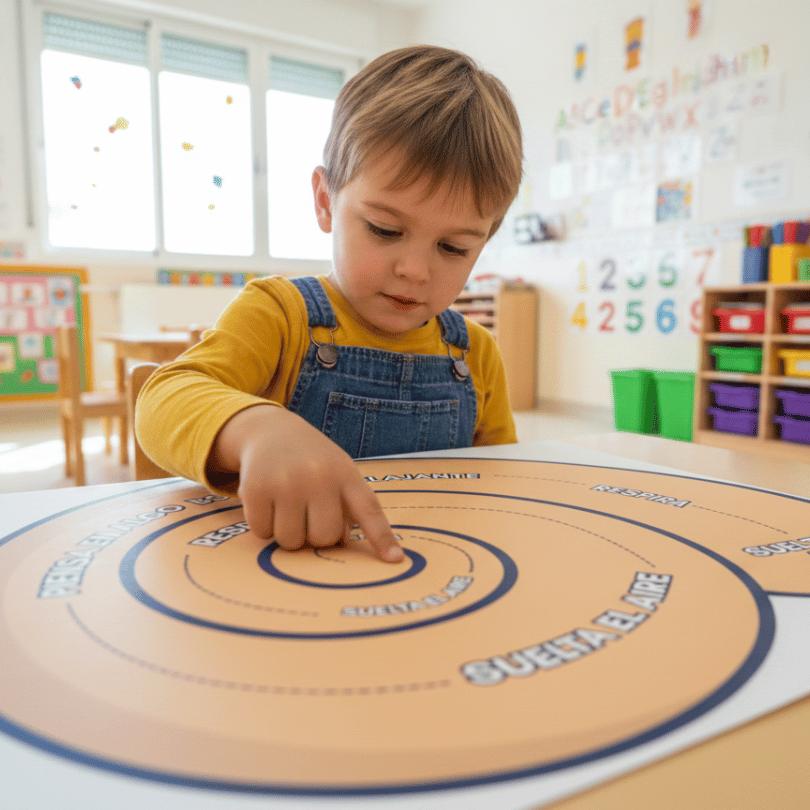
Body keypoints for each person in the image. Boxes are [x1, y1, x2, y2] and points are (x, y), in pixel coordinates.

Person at [136, 44, 524, 565]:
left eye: (453, 248)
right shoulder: (279, 314)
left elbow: (504, 482)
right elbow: (161, 400)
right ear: (325, 202)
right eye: (385, 229)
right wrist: (253, 429)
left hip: (434, 573)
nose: (415, 270)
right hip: (285, 573)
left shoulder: (475, 353)